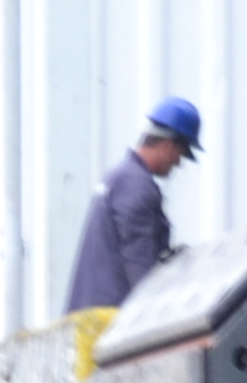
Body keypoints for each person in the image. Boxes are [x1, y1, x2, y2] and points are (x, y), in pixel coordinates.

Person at [65, 97, 203, 311]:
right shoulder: (137, 186)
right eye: (180, 155)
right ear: (168, 147)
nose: (178, 164)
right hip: (112, 321)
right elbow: (140, 265)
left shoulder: (118, 178)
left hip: (90, 315)